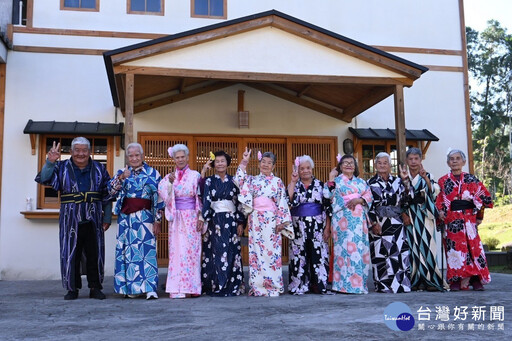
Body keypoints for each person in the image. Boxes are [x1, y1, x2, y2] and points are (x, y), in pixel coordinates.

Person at [35, 137, 112, 300]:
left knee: (95, 253)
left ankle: (95, 287)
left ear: (90, 152)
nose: (81, 153)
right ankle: (72, 288)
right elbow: (44, 179)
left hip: (94, 217)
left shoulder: (99, 169)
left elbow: (107, 194)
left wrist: (107, 217)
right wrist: (50, 162)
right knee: (70, 252)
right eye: (77, 150)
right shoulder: (61, 167)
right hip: (70, 217)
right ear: (71, 152)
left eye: (84, 150)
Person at [234, 148, 294, 297]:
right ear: (259, 163)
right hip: (256, 220)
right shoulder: (252, 180)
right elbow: (238, 181)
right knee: (256, 253)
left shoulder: (277, 182)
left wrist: (282, 221)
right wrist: (244, 161)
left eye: (269, 163)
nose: (266, 165)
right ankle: (258, 286)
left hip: (272, 221)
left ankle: (273, 285)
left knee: (272, 254)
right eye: (263, 162)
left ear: (274, 166)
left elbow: (282, 202)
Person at [108, 143, 164, 299]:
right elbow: (110, 192)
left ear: (142, 156)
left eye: (136, 155)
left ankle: (150, 288)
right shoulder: (122, 172)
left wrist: (158, 221)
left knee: (147, 252)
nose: (134, 158)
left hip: (146, 216)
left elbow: (159, 198)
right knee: (127, 252)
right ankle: (130, 289)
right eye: (130, 156)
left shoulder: (153, 173)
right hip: (126, 218)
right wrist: (120, 178)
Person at [436, 149, 493, 291]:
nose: (454, 161)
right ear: (448, 162)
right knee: (454, 251)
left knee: (473, 250)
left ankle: (475, 279)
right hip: (452, 222)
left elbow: (483, 198)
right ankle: (455, 279)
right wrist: (441, 213)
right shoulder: (443, 181)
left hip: (469, 221)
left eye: (457, 158)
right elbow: (439, 202)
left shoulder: (472, 179)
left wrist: (479, 216)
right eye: (451, 159)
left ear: (464, 162)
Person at [158, 144, 202, 298]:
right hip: (176, 218)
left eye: (183, 156)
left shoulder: (196, 175)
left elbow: (200, 197)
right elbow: (163, 194)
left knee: (192, 251)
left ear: (187, 157)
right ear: (173, 159)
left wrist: (201, 217)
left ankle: (193, 287)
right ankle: (177, 288)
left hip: (191, 217)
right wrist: (170, 183)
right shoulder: (169, 177)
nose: (180, 159)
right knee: (177, 251)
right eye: (177, 157)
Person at [400, 147, 447, 291]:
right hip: (410, 215)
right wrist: (403, 214)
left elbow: (434, 192)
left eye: (416, 159)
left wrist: (425, 178)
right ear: (407, 161)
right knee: (413, 248)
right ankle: (415, 280)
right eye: (411, 159)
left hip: (424, 214)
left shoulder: (428, 175)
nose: (413, 162)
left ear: (421, 160)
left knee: (428, 247)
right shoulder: (403, 177)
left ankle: (431, 279)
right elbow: (399, 198)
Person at [324, 154, 372, 294]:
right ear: (340, 166)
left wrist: (360, 200)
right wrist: (331, 178)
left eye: (351, 163)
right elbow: (327, 196)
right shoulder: (337, 181)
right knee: (343, 251)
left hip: (358, 221)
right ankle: (341, 285)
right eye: (345, 163)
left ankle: (358, 285)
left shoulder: (361, 182)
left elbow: (369, 196)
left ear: (355, 166)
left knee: (359, 250)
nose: (348, 165)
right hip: (342, 220)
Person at [199, 151, 245, 296]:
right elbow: (205, 200)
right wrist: (203, 218)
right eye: (217, 161)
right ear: (214, 164)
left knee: (231, 252)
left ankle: (232, 284)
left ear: (227, 163)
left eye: (222, 161)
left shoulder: (234, 181)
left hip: (231, 221)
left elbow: (239, 202)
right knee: (214, 253)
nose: (220, 163)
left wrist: (240, 222)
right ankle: (215, 285)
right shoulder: (209, 181)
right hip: (214, 221)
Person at [367, 152, 411, 293]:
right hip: (379, 221)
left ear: (389, 165)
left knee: (398, 252)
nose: (382, 165)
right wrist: (373, 223)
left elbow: (408, 198)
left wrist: (406, 181)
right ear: (375, 165)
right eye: (379, 163)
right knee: (380, 253)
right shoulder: (369, 183)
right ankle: (383, 285)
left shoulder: (398, 181)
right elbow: (367, 205)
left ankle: (401, 285)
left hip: (396, 221)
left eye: (385, 162)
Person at [287, 155, 330, 295]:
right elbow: (289, 201)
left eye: (308, 168)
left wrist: (327, 228)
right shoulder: (294, 184)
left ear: (312, 169)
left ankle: (318, 285)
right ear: (298, 170)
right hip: (298, 226)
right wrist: (293, 182)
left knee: (318, 255)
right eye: (302, 168)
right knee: (298, 255)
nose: (305, 171)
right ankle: (299, 285)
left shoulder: (321, 185)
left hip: (317, 225)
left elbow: (328, 208)